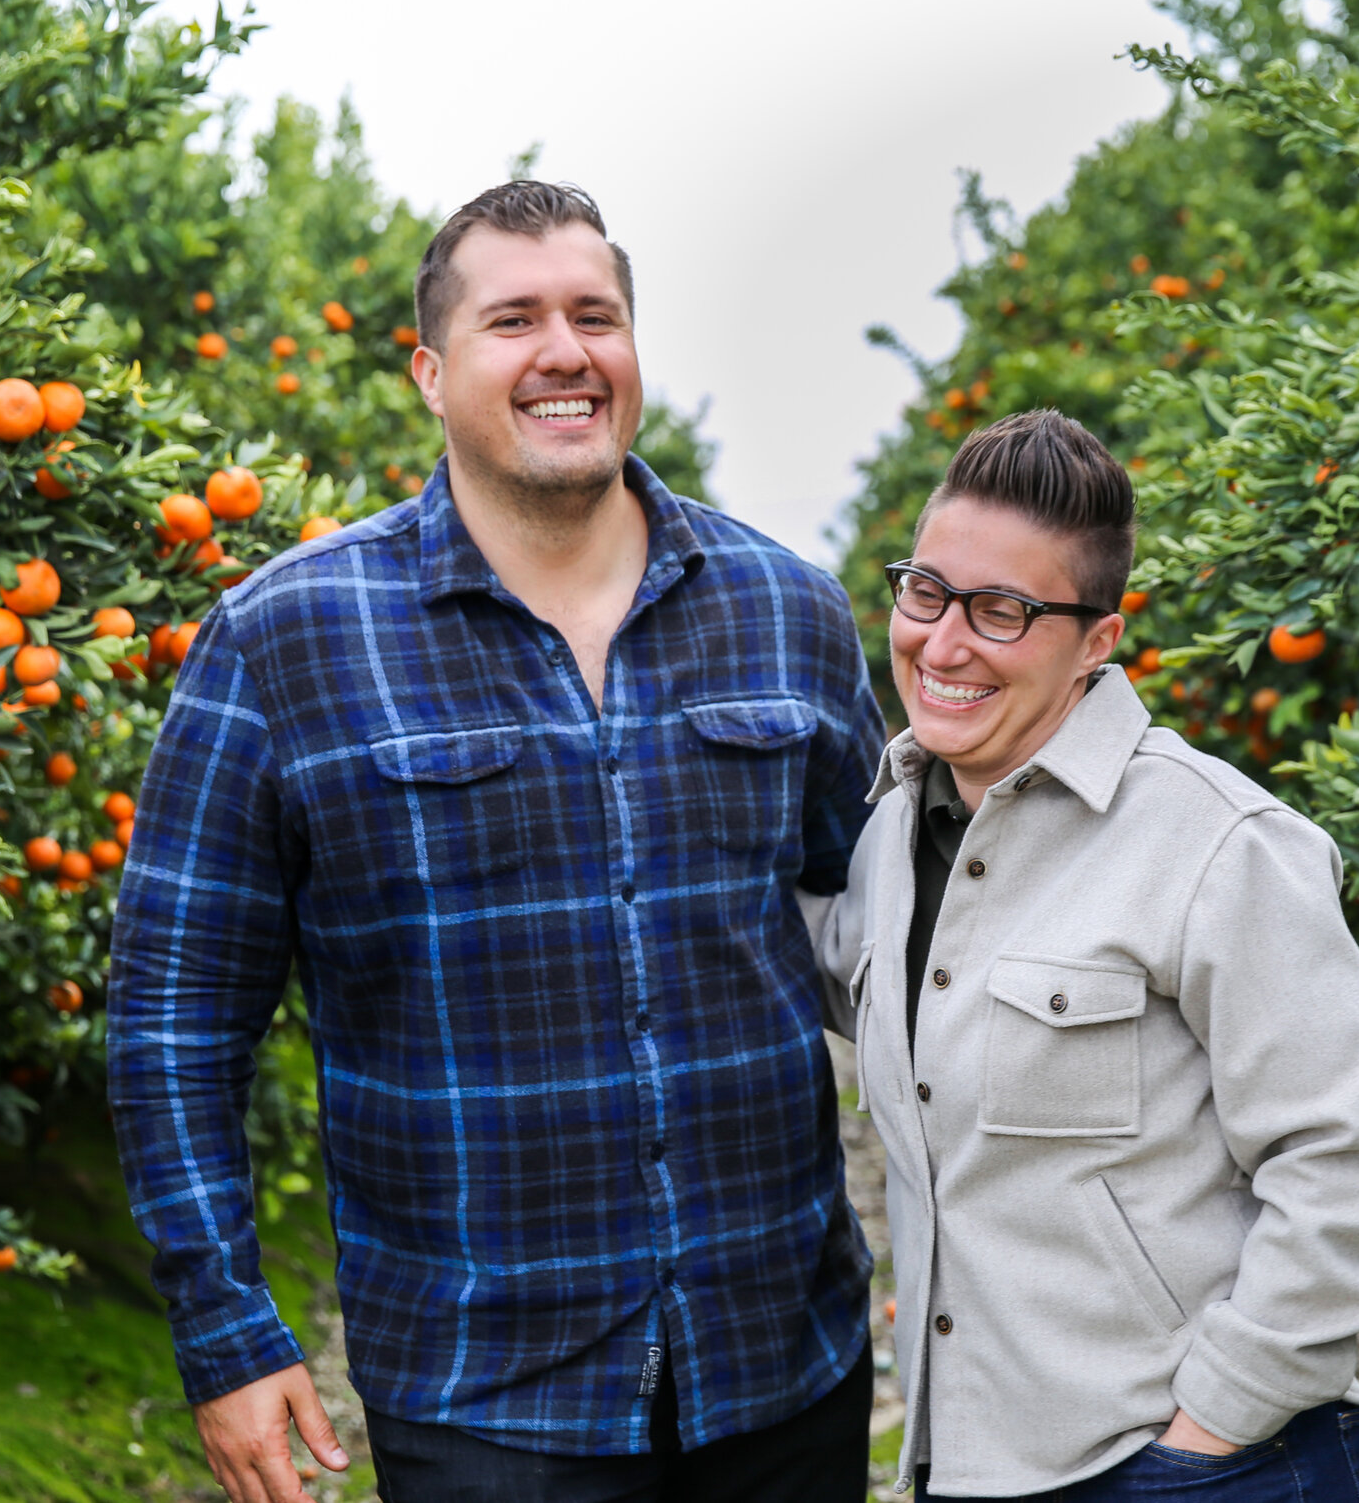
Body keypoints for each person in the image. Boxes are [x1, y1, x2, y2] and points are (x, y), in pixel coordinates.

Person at [110, 181, 885, 1503]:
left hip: (784, 1367)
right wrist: (225, 1325)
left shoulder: (786, 610)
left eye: (597, 314)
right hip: (487, 1399)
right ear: (429, 369)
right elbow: (173, 1020)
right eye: (512, 318)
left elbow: (899, 939)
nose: (565, 351)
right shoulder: (285, 641)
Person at [804, 410, 1359, 1500]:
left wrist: (1209, 1427)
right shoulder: (891, 833)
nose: (944, 642)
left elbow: (1344, 1171)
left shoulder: (1219, 843)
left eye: (1002, 610)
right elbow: (841, 973)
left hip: (1185, 1462)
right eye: (926, 591)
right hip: (971, 1461)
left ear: (1097, 639)